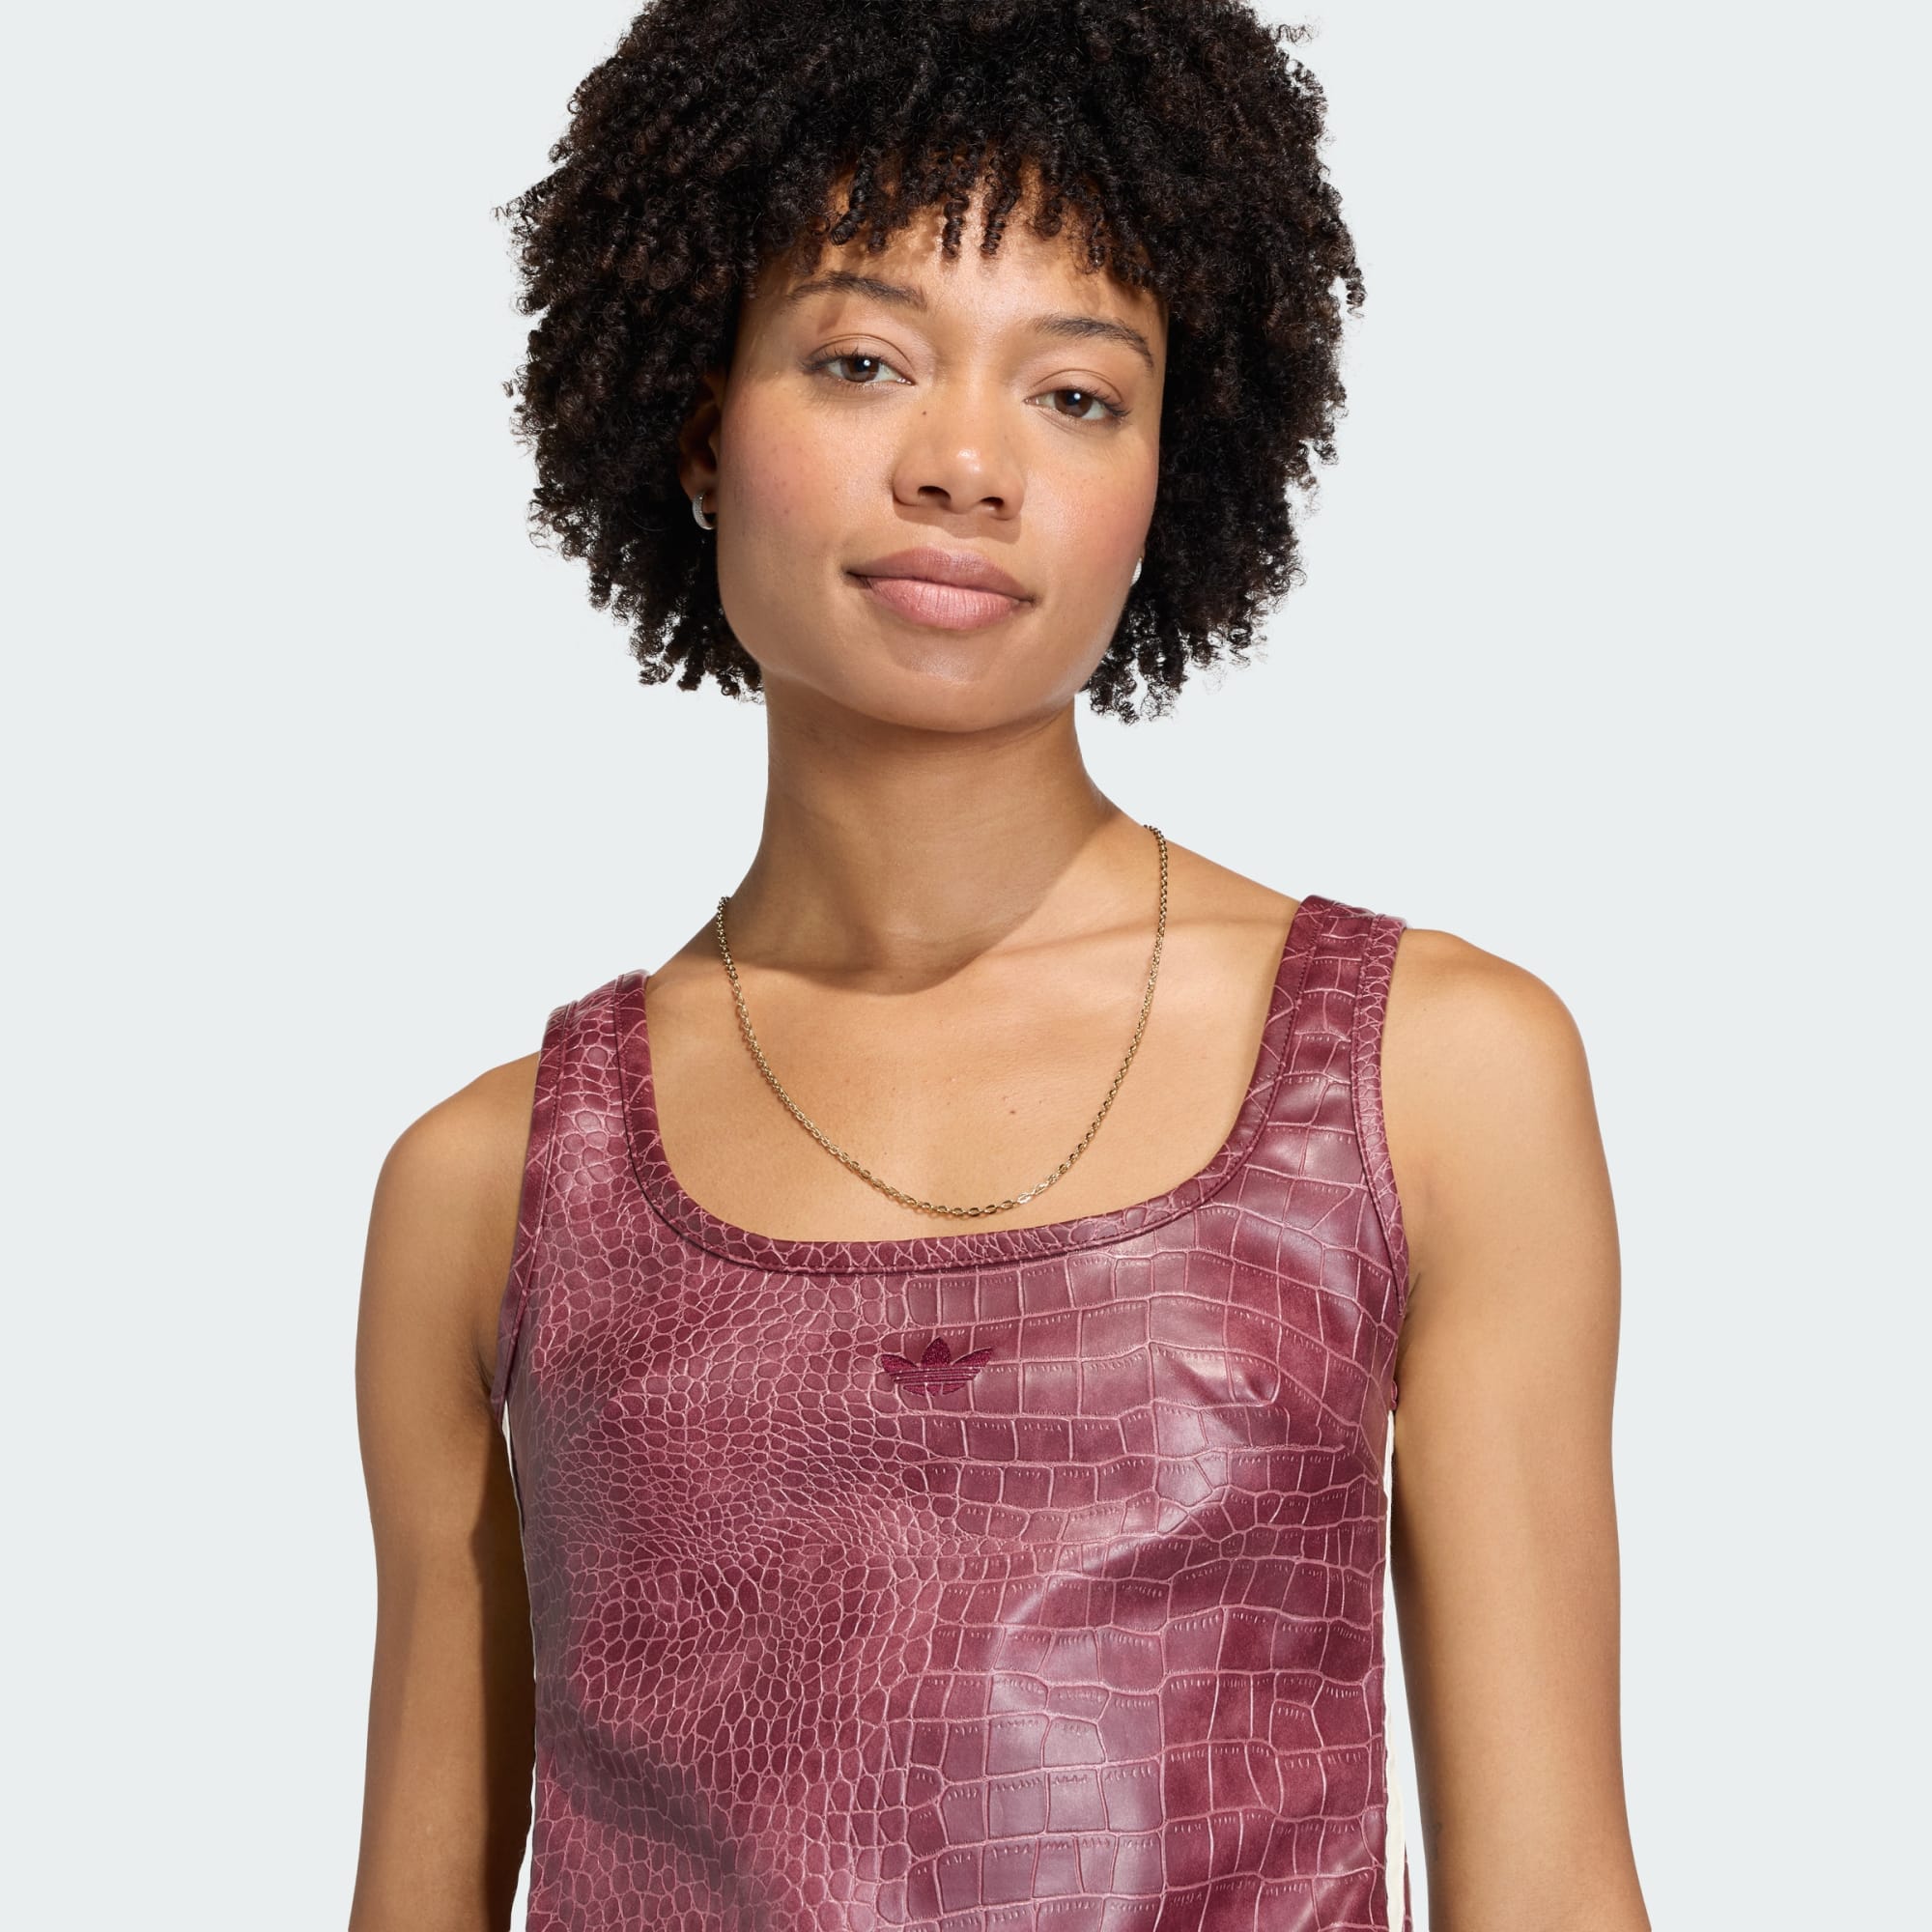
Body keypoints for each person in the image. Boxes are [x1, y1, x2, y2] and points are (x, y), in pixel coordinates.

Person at [350, 3, 1650, 1927]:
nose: (964, 464)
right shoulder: (489, 1188)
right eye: (862, 360)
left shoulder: (1428, 1080)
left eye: (1077, 394)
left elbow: (1547, 1887)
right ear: (698, 417)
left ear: (1173, 473)